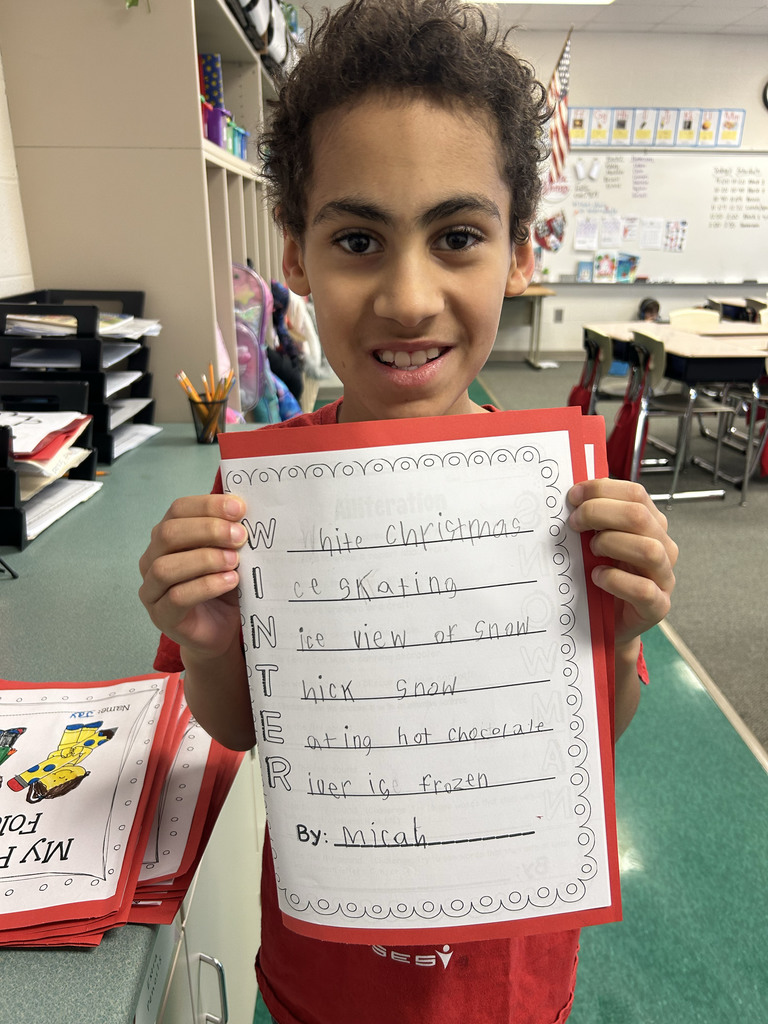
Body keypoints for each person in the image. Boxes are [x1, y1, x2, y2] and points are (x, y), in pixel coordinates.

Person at [138, 2, 678, 1021]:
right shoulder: (258, 502)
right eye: (358, 239)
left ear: (519, 254)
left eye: (459, 236)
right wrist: (207, 641)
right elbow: (243, 726)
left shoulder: (561, 501)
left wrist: (625, 631)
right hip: (320, 979)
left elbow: (596, 730)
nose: (409, 297)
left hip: (509, 987)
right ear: (297, 256)